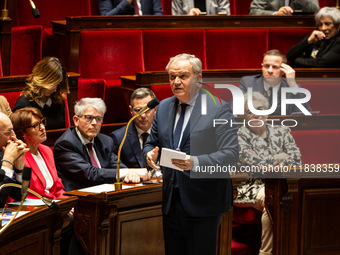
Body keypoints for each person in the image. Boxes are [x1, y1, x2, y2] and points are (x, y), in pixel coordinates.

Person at [143, 53, 239, 255]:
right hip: (172, 200)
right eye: (171, 77)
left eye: (183, 76)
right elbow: (151, 143)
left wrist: (194, 162)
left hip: (204, 200)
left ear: (198, 78)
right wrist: (149, 154)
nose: (176, 82)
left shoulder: (218, 108)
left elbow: (230, 155)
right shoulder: (163, 109)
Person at [234, 92, 302, 255]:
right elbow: (252, 164)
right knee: (271, 197)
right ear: (244, 116)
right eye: (250, 111)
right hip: (243, 187)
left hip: (278, 184)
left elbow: (296, 160)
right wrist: (279, 157)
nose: (256, 113)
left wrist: (267, 161)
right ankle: (266, 253)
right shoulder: (238, 135)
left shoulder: (282, 131)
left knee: (295, 196)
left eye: (260, 108)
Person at [54, 98, 149, 192]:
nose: (94, 123)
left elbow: (116, 166)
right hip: (80, 197)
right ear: (76, 120)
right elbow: (90, 174)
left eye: (98, 119)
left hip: (105, 195)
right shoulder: (65, 144)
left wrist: (130, 175)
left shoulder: (105, 141)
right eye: (89, 118)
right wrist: (128, 172)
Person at [230, 49, 311, 115]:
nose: (270, 70)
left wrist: (293, 85)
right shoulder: (248, 82)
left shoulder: (291, 86)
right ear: (262, 67)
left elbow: (305, 113)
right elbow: (232, 106)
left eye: (275, 67)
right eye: (266, 66)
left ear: (283, 70)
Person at [11, 107, 67, 200]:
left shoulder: (47, 150)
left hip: (55, 205)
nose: (42, 128)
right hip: (36, 209)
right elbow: (23, 194)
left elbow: (57, 187)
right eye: (35, 125)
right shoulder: (19, 156)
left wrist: (66, 203)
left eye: (41, 122)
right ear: (22, 133)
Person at [12, 57, 70, 130]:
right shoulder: (23, 104)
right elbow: (19, 135)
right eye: (52, 85)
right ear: (42, 81)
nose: (55, 90)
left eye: (57, 85)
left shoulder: (58, 100)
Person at [110, 88, 156, 168]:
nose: (143, 115)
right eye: (138, 110)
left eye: (147, 110)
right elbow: (115, 165)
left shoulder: (165, 133)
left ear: (155, 109)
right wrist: (131, 174)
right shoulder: (119, 137)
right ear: (131, 110)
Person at [0, 112, 28, 208]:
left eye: (13, 130)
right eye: (9, 132)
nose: (14, 136)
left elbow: (22, 195)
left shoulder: (2, 151)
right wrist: (7, 162)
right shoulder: (6, 155)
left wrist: (19, 167)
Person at [249, 0, 319, 15]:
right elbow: (253, 11)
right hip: (275, 27)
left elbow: (315, 12)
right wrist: (275, 14)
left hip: (300, 29)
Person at [98, 0, 163, 15]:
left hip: (148, 33)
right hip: (123, 34)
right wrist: (127, 2)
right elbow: (106, 18)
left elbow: (158, 14)